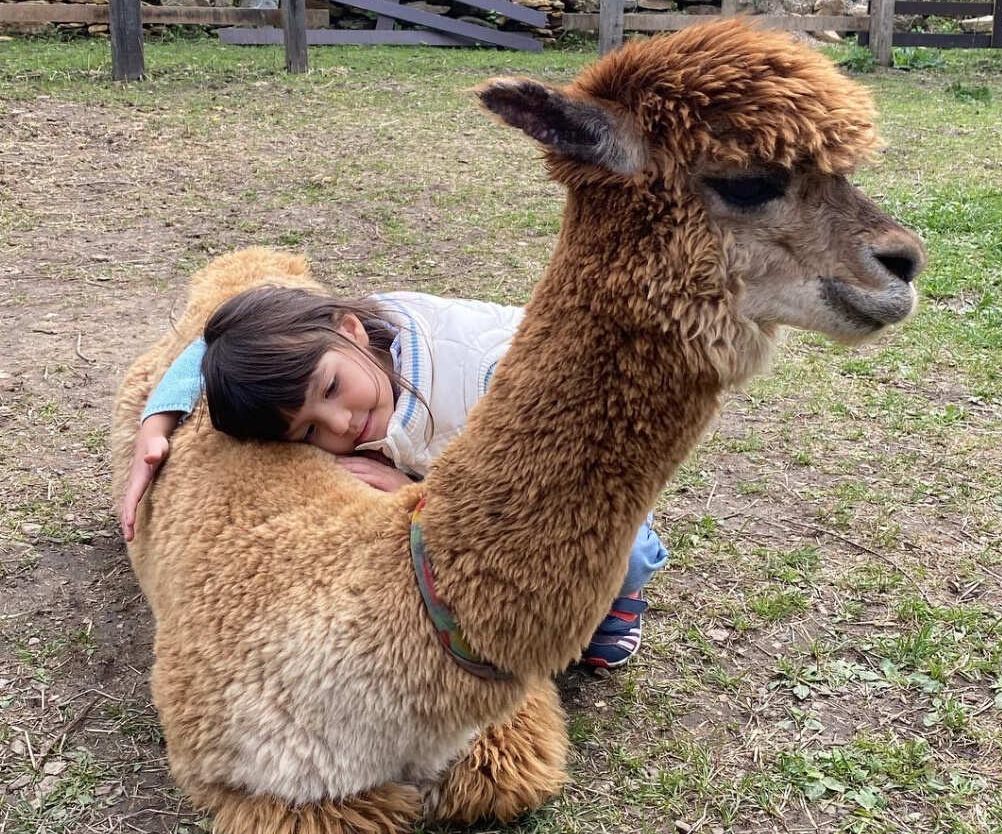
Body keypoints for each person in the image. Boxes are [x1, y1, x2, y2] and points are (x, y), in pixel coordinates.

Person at [120, 282, 667, 671]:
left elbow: (537, 494)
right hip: (456, 455)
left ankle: (619, 604)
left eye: (331, 391)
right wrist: (158, 417)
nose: (340, 424)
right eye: (311, 433)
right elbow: (213, 345)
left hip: (564, 460)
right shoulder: (328, 350)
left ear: (352, 330)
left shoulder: (490, 374)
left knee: (617, 555)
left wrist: (418, 496)